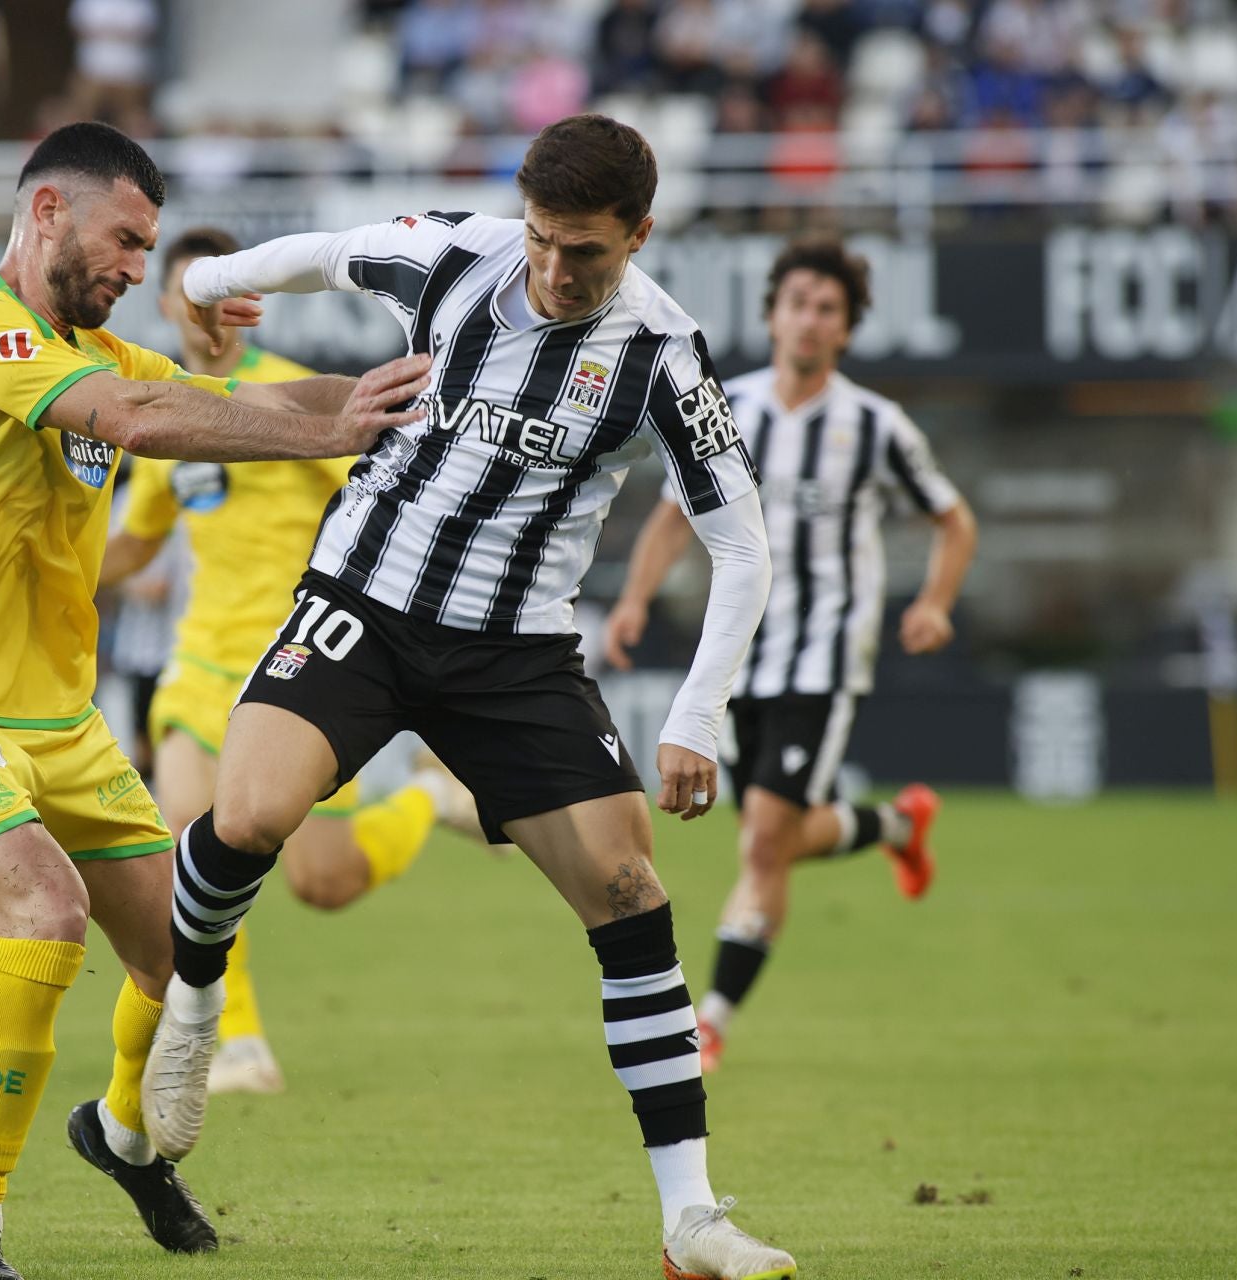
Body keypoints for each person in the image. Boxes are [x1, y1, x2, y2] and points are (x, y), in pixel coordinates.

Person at [144, 114, 797, 1280]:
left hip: (517, 655)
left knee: (633, 894)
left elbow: (740, 544)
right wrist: (204, 279)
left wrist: (698, 713)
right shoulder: (453, 253)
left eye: (586, 252)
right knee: (245, 819)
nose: (556, 270)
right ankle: (194, 1011)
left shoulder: (663, 353)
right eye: (544, 239)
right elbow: (320, 250)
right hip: (365, 604)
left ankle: (691, 1219)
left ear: (640, 235)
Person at [0, 120, 431, 1280]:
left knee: (184, 951)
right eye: (124, 238)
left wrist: (409, 389)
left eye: (148, 249)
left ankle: (121, 1136)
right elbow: (142, 421)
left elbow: (245, 391)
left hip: (59, 717)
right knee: (45, 913)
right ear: (46, 210)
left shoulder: (99, 348)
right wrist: (327, 432)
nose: (135, 269)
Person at [101, 226, 481, 1096]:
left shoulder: (297, 399)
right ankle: (235, 1045)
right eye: (181, 295)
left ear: (247, 302)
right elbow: (136, 544)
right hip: (198, 670)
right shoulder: (169, 409)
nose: (200, 312)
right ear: (164, 306)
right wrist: (38, 569)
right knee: (180, 858)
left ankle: (429, 798)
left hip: (300, 668)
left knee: (325, 881)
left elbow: (375, 494)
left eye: (212, 293)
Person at [601, 236, 979, 1074]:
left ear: (845, 330)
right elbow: (671, 515)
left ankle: (714, 1020)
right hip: (741, 659)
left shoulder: (875, 425)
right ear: (771, 313)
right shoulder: (723, 405)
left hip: (827, 655)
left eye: (828, 309)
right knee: (777, 833)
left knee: (763, 842)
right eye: (797, 302)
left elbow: (954, 519)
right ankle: (893, 823)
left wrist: (935, 603)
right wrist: (632, 599)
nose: (809, 320)